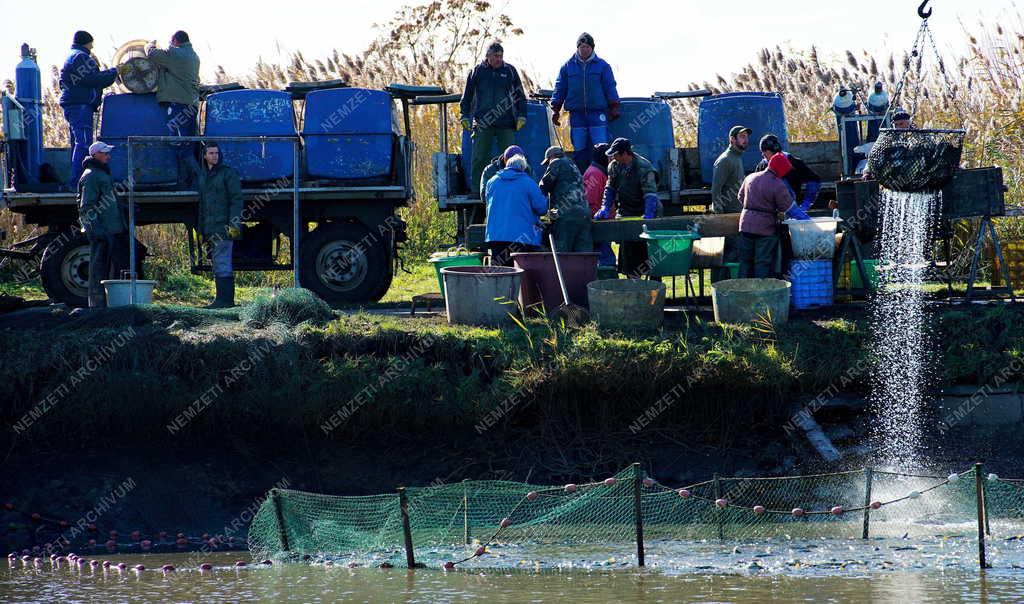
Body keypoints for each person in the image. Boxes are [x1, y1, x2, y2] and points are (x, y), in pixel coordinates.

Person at [459, 42, 528, 199]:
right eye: (496, 56)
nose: (499, 59)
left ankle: (514, 189)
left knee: (512, 158)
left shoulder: (509, 71)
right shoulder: (477, 71)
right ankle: (477, 191)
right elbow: (467, 96)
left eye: (501, 56)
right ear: (488, 56)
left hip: (506, 123)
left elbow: (520, 96)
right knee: (479, 157)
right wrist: (464, 115)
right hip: (483, 123)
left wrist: (522, 115)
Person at [551, 33, 621, 173]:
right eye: (582, 46)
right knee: (579, 147)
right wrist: (555, 109)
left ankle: (603, 178)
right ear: (577, 48)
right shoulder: (567, 67)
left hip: (597, 113)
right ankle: (583, 177)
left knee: (601, 147)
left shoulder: (603, 66)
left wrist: (614, 106)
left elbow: (610, 86)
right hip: (576, 114)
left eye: (587, 46)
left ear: (592, 48)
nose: (584, 49)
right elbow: (560, 88)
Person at [59, 31, 122, 187]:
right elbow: (93, 79)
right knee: (84, 144)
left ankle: (75, 180)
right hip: (80, 106)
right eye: (91, 43)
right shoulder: (81, 57)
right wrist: (114, 72)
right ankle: (76, 183)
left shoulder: (74, 56)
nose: (92, 47)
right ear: (86, 42)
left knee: (78, 144)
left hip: (74, 105)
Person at [593, 138, 660, 278]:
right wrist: (605, 206)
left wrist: (648, 214)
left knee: (650, 257)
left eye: (616, 154)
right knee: (629, 256)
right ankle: (633, 283)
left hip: (647, 211)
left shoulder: (644, 167)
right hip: (626, 212)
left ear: (625, 153)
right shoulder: (614, 166)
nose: (613, 157)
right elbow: (610, 188)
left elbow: (650, 194)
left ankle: (654, 288)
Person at [737, 153, 810, 278]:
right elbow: (790, 209)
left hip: (745, 226)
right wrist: (808, 220)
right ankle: (761, 293)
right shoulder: (777, 184)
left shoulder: (750, 177)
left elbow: (740, 197)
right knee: (762, 262)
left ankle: (742, 293)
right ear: (781, 169)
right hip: (764, 229)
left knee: (745, 261)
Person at [191, 142, 243, 308]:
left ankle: (225, 301)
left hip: (223, 227)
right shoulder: (203, 176)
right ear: (205, 156)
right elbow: (202, 206)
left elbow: (236, 199)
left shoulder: (227, 174)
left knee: (222, 263)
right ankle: (222, 299)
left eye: (216, 153)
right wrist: (200, 230)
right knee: (218, 263)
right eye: (211, 153)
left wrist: (234, 224)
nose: (215, 156)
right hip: (209, 228)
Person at [77, 141, 128, 308]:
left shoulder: (100, 173)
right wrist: (97, 231)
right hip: (102, 231)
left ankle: (108, 306)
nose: (108, 156)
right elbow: (86, 207)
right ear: (95, 155)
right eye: (105, 152)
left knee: (106, 269)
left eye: (108, 153)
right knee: (98, 269)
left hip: (110, 230)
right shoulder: (92, 175)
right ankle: (97, 307)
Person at [147, 31, 201, 185]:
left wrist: (149, 44)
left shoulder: (176, 54)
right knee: (188, 141)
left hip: (178, 105)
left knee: (178, 142)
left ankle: (198, 179)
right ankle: (188, 180)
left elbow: (153, 54)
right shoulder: (193, 56)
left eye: (171, 42)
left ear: (176, 41)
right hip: (189, 104)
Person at [484, 155, 547, 267]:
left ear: (507, 165)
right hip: (521, 238)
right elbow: (541, 208)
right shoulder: (528, 183)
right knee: (521, 275)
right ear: (523, 168)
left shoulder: (491, 182)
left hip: (496, 236)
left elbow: (487, 201)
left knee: (500, 273)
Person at [539, 146, 592, 253]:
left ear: (552, 157)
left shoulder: (556, 163)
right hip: (584, 213)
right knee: (584, 254)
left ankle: (565, 270)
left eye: (547, 162)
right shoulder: (573, 165)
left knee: (563, 254)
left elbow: (543, 187)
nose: (548, 165)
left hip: (566, 213)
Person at [754, 134, 821, 212]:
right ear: (763, 153)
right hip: (769, 211)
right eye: (766, 154)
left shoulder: (794, 162)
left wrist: (806, 204)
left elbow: (814, 180)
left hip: (791, 207)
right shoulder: (761, 166)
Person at [583, 143, 615, 267]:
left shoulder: (597, 171)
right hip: (599, 223)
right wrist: (598, 218)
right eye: (609, 156)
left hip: (602, 221)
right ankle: (609, 280)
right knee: (606, 258)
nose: (612, 159)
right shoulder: (595, 174)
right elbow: (591, 201)